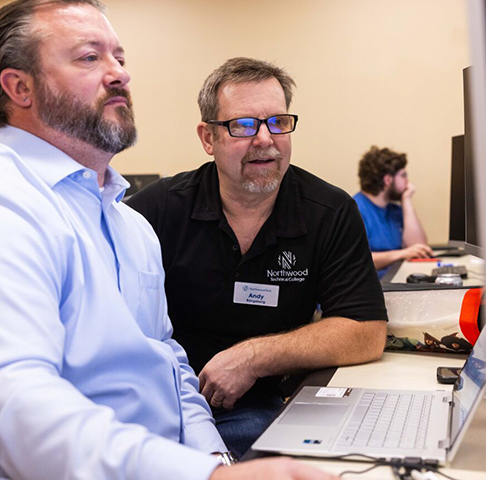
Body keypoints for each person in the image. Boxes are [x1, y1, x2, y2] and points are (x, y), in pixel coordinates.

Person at [0, 2, 335, 480]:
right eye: (90, 58)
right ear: (19, 87)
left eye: (119, 58)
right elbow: (14, 414)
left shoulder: (128, 223)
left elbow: (168, 366)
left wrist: (215, 460)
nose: (119, 74)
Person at [127, 57, 388, 457]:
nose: (265, 139)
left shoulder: (328, 212)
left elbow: (366, 331)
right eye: (243, 125)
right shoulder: (155, 212)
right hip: (161, 404)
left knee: (268, 450)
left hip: (255, 407)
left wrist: (253, 357)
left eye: (278, 122)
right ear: (207, 138)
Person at [353, 146, 432, 277]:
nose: (408, 182)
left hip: (396, 280)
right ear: (388, 180)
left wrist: (406, 200)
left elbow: (419, 247)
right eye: (403, 175)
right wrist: (402, 254)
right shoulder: (355, 210)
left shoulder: (394, 209)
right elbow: (356, 260)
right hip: (374, 288)